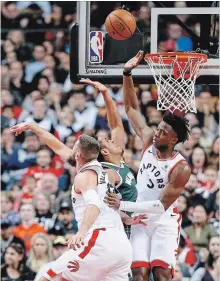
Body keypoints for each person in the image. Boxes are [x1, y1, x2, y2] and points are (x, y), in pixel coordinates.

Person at [106, 51, 191, 281]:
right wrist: (126, 73)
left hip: (163, 220)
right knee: (139, 274)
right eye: (159, 128)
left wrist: (124, 206)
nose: (157, 133)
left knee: (161, 274)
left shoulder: (180, 168)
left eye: (163, 132)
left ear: (173, 140)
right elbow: (131, 109)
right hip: (139, 219)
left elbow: (161, 206)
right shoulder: (147, 140)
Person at [10, 125, 132, 281]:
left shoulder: (85, 176)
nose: (70, 149)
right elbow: (58, 147)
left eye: (73, 146)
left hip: (99, 239)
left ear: (78, 155)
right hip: (121, 245)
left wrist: (81, 232)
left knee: (48, 275)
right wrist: (33, 127)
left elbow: (94, 204)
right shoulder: (100, 170)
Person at [80, 78, 138, 238]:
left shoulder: (119, 162)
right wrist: (121, 213)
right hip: (122, 231)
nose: (113, 139)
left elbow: (116, 126)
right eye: (108, 141)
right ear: (105, 152)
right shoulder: (110, 172)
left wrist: (106, 94)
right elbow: (102, 199)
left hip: (132, 227)